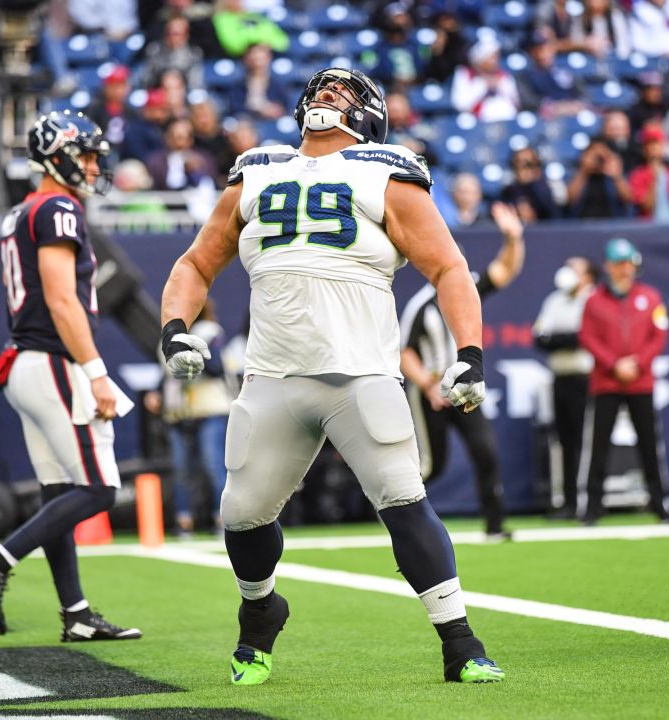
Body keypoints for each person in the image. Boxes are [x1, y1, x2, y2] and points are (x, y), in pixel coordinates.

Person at [159, 67, 504, 685]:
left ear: (370, 112)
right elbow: (195, 262)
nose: (327, 94)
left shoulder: (386, 170)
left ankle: (461, 643)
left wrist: (470, 351)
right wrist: (175, 326)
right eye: (321, 87)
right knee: (241, 512)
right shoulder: (257, 170)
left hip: (360, 375)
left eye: (343, 90)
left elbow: (451, 269)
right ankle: (260, 614)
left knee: (403, 499)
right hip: (273, 376)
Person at [0, 110, 143, 643]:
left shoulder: (24, 210)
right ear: (59, 154)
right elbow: (63, 299)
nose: (92, 165)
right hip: (52, 361)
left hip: (26, 362)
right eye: (85, 154)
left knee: (59, 490)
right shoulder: (59, 207)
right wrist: (96, 372)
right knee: (98, 489)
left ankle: (77, 614)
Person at [399, 203, 525, 540]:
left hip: (463, 385)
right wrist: (426, 384)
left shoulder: (468, 291)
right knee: (432, 464)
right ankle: (398, 515)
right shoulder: (420, 306)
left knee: (485, 451)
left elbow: (504, 271)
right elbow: (403, 351)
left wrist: (514, 239)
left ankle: (495, 525)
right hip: (432, 389)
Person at [578, 238, 669, 526]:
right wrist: (613, 364)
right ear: (608, 266)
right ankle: (592, 507)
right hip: (606, 382)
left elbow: (659, 335)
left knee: (649, 445)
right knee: (598, 447)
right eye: (619, 264)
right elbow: (587, 336)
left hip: (640, 381)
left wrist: (637, 363)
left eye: (628, 263)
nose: (625, 270)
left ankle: (661, 505)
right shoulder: (594, 300)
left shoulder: (651, 297)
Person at [534, 257, 597, 518]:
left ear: (588, 276)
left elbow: (586, 336)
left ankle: (589, 502)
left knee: (588, 441)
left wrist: (563, 338)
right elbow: (540, 337)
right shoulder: (554, 301)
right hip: (560, 377)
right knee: (566, 440)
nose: (568, 272)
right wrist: (568, 338)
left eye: (575, 268)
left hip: (587, 379)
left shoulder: (594, 300)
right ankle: (570, 502)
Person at [162, 299, 231, 537]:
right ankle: (184, 521)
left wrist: (195, 353)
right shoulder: (169, 336)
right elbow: (167, 375)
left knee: (214, 466)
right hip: (179, 413)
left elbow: (217, 369)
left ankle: (223, 520)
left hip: (209, 408)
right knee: (181, 470)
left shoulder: (209, 332)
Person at [628, 123, 669, 222]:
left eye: (658, 143)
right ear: (644, 148)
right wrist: (654, 178)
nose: (654, 148)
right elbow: (646, 206)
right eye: (650, 144)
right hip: (651, 229)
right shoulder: (638, 174)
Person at [450, 36, 521, 123]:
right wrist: (482, 84)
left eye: (496, 57)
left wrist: (500, 84)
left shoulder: (504, 76)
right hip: (477, 124)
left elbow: (516, 102)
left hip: (506, 122)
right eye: (490, 57)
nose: (494, 61)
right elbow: (460, 105)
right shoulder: (465, 74)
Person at [567, 138, 632, 219]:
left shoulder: (613, 175)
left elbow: (628, 199)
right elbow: (570, 200)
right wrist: (583, 171)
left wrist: (617, 176)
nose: (598, 160)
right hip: (581, 225)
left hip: (612, 225)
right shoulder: (578, 174)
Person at [501, 147, 561, 222]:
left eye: (530, 164)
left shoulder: (546, 188)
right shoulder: (508, 191)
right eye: (520, 164)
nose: (527, 170)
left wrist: (536, 183)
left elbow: (555, 216)